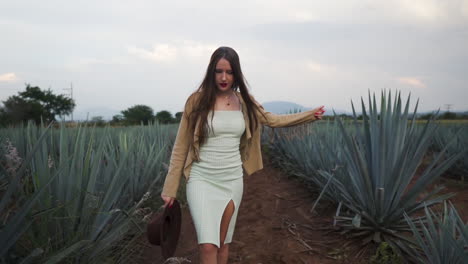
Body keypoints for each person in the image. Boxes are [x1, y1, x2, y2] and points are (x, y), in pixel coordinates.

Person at [161, 46, 325, 264]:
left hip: (231, 180)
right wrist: (170, 188)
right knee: (208, 245)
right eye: (219, 71)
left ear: (236, 74)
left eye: (229, 72)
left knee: (223, 243)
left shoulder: (244, 102)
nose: (223, 77)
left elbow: (272, 120)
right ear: (211, 72)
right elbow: (180, 146)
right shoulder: (196, 101)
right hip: (201, 179)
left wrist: (309, 115)